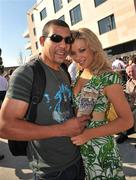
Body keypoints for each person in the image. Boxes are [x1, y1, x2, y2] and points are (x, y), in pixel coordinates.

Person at [0, 19, 89, 180]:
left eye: (68, 40)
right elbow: (5, 127)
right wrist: (62, 129)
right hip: (51, 171)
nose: (64, 45)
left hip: (78, 159)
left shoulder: (64, 71)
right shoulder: (27, 73)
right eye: (56, 38)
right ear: (42, 41)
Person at [69, 28, 134, 179]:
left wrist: (88, 134)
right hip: (80, 150)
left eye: (82, 50)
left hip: (101, 150)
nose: (78, 57)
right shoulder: (80, 74)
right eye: (73, 53)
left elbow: (127, 120)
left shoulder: (108, 77)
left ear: (93, 48)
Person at [117, 64, 136, 143]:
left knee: (133, 114)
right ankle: (124, 130)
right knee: (123, 112)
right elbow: (129, 97)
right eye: (129, 72)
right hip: (134, 104)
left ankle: (125, 133)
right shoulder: (128, 83)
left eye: (132, 71)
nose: (130, 73)